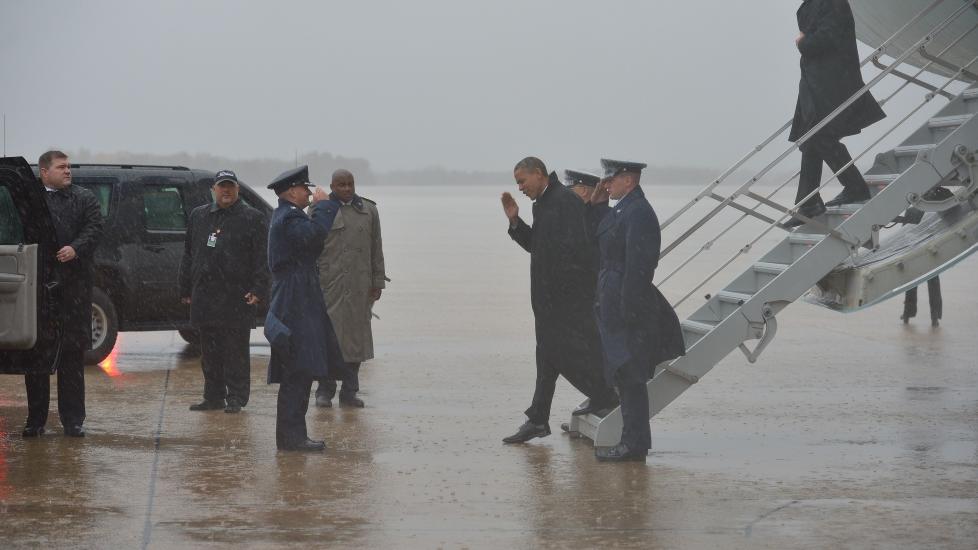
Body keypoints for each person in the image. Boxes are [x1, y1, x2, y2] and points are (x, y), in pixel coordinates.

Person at [500, 156, 619, 445]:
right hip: (549, 303)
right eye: (517, 183)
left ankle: (605, 396)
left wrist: (568, 299)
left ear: (539, 174)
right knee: (548, 358)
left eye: (522, 181)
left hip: (564, 303)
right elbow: (538, 248)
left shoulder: (564, 203)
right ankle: (539, 419)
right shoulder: (544, 203)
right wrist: (516, 221)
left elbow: (580, 253)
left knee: (563, 355)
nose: (520, 188)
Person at [587, 159, 685, 462]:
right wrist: (597, 208)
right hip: (613, 299)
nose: (606, 184)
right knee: (623, 372)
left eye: (611, 180)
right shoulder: (622, 209)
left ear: (628, 181)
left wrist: (627, 308)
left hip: (626, 304)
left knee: (631, 375)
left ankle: (635, 443)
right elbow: (600, 243)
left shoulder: (639, 212)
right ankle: (632, 441)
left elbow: (640, 266)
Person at [263, 165, 347, 452]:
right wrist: (324, 207)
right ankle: (291, 438)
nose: (309, 193)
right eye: (304, 188)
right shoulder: (289, 217)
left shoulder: (287, 216)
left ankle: (293, 436)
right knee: (297, 373)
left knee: (300, 371)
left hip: (297, 295)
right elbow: (313, 238)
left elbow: (310, 243)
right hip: (294, 300)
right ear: (290, 191)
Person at [784, 0, 886, 228]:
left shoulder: (832, 2)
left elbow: (825, 39)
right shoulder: (812, 5)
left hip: (831, 82)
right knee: (810, 139)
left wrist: (802, 41)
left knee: (819, 136)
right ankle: (809, 203)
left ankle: (855, 187)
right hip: (815, 83)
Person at [23, 150, 103, 438]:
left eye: (69, 166)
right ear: (44, 172)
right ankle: (35, 420)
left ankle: (73, 421)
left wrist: (76, 248)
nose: (68, 171)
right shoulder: (31, 200)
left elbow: (95, 227)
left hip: (74, 288)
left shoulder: (84, 198)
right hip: (38, 289)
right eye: (61, 167)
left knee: (71, 356)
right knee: (36, 356)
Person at [179, 169, 269, 414]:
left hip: (237, 297)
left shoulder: (253, 218)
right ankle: (213, 397)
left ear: (237, 189)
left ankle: (237, 397)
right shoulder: (199, 216)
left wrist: (259, 289)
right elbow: (188, 255)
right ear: (214, 190)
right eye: (222, 186)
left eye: (230, 186)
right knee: (209, 352)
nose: (226, 190)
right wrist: (186, 287)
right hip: (205, 296)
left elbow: (262, 259)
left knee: (236, 351)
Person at [313, 169, 387, 408]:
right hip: (329, 286)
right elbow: (309, 248)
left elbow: (376, 249)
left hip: (359, 286)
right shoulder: (319, 209)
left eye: (350, 184)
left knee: (356, 341)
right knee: (328, 340)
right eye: (341, 185)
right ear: (332, 186)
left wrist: (377, 282)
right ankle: (324, 390)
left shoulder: (368, 211)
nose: (346, 189)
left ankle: (350, 391)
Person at [894, 186, 952, 326]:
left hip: (919, 249)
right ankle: (933, 315)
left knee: (914, 283)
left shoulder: (915, 207)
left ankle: (911, 313)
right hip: (928, 248)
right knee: (930, 283)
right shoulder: (930, 206)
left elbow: (905, 231)